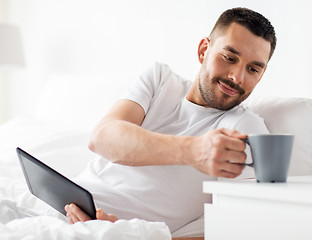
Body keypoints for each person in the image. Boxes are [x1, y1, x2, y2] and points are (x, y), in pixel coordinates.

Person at [65, 7, 276, 239]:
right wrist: (193, 151)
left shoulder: (246, 131)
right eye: (229, 58)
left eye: (253, 69)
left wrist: (129, 235)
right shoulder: (160, 80)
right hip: (62, 204)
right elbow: (101, 139)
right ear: (204, 50)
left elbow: (246, 228)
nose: (237, 77)